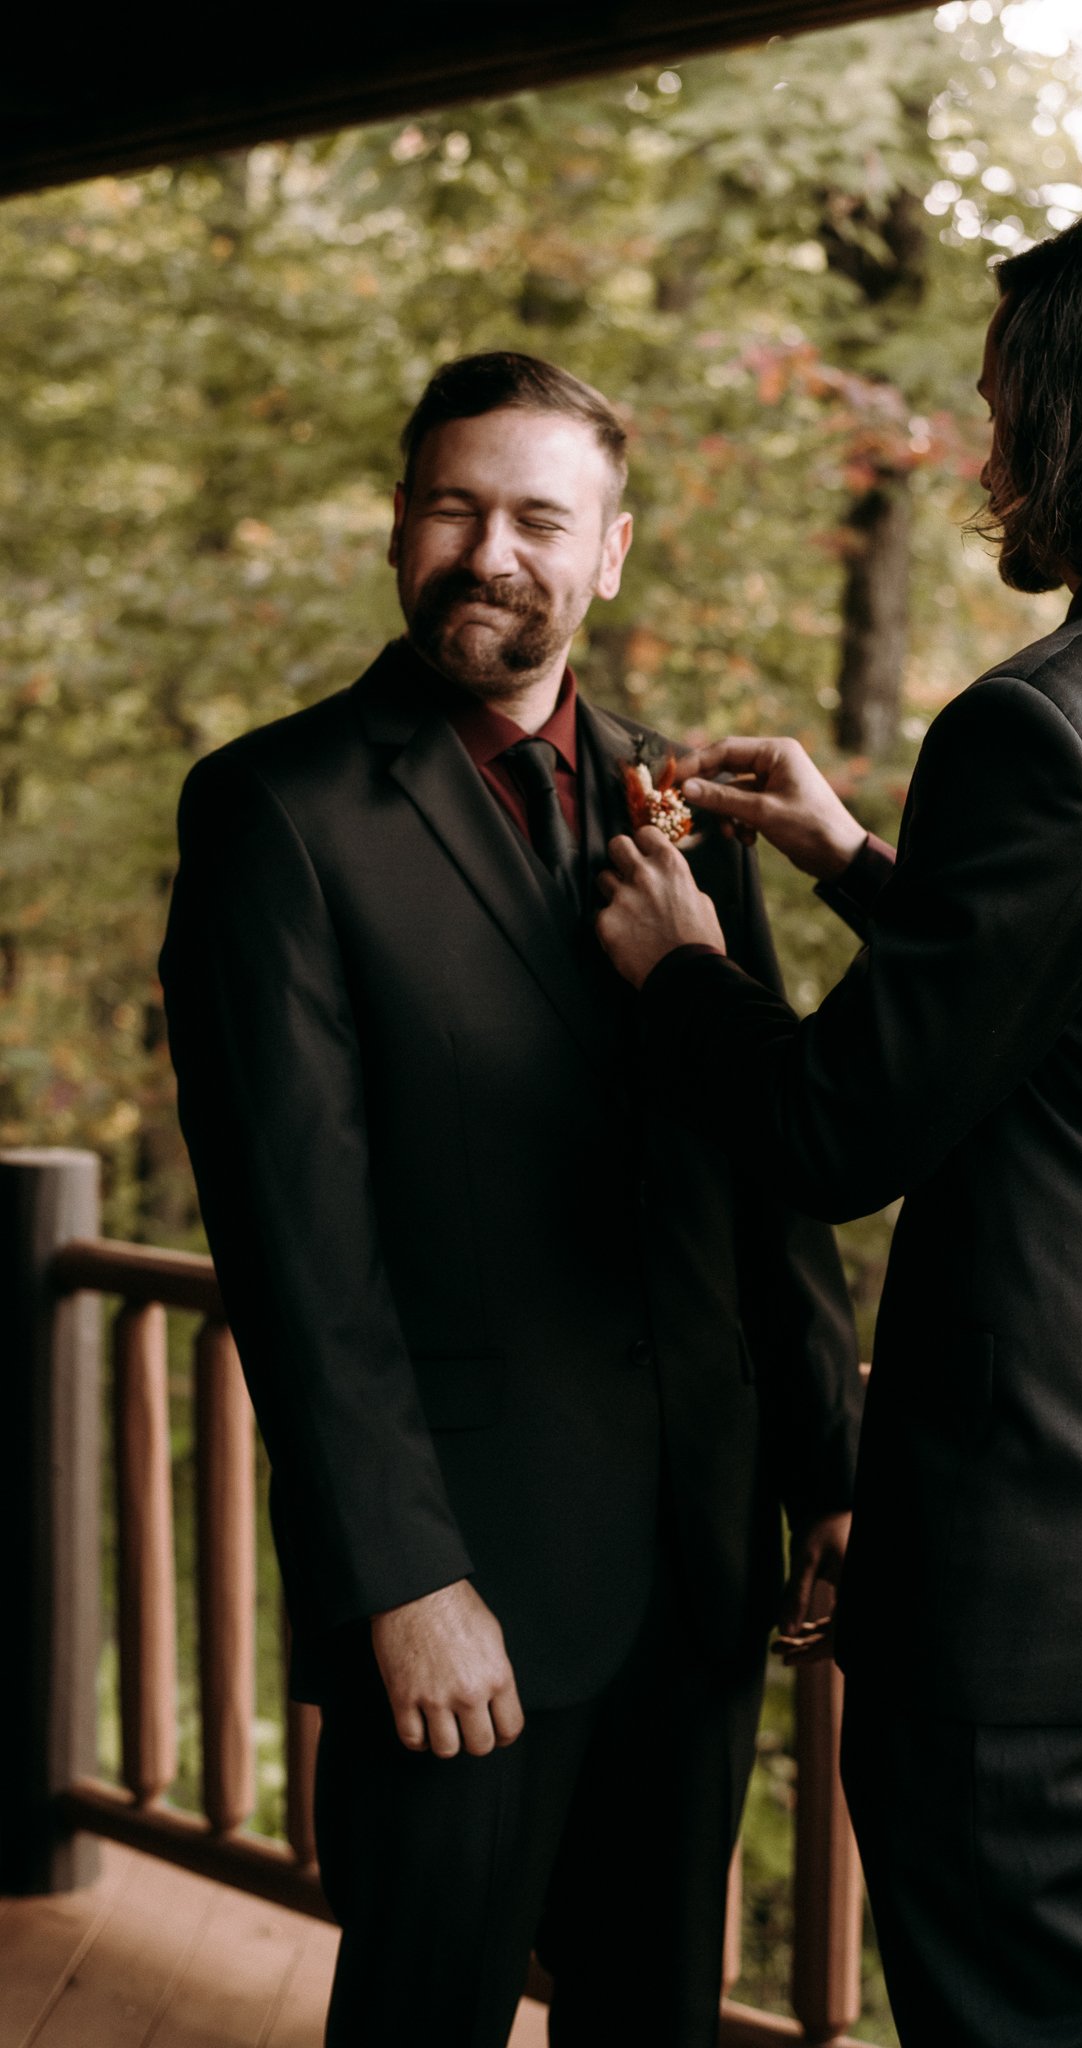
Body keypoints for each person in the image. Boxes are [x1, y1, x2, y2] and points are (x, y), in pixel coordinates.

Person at [596, 194, 1082, 2045]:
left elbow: (839, 1131)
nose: (990, 459)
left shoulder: (1050, 729)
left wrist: (682, 965)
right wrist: (864, 858)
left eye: (1012, 411)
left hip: (1040, 1607)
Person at [159, 350, 864, 2048]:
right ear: (399, 525)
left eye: (540, 517)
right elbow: (294, 1247)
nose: (495, 553)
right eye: (457, 508)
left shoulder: (686, 805)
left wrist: (831, 1467)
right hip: (462, 1600)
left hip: (700, 1569)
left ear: (610, 552)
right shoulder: (280, 811)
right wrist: (399, 1580)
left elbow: (765, 1163)